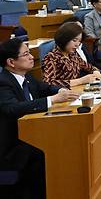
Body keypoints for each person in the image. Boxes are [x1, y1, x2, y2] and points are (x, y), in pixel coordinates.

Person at [0, 38, 80, 199]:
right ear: (11, 62)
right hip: (13, 146)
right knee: (53, 151)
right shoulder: (3, 82)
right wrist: (52, 100)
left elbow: (46, 88)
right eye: (26, 54)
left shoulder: (27, 77)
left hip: (31, 134)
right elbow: (12, 108)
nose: (32, 57)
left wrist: (61, 91)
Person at [42, 22, 101, 88]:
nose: (77, 44)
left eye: (79, 41)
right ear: (64, 38)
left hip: (76, 90)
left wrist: (96, 71)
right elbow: (48, 83)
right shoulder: (51, 57)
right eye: (74, 40)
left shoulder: (73, 54)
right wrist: (80, 81)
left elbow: (88, 67)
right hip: (62, 95)